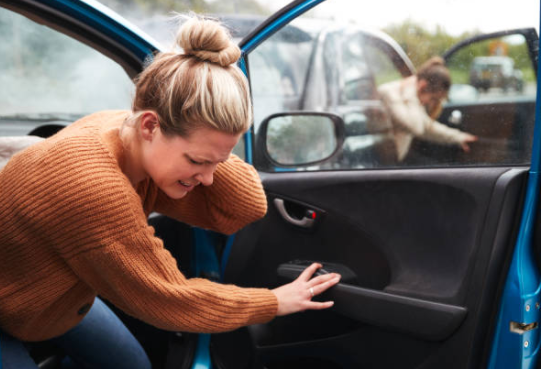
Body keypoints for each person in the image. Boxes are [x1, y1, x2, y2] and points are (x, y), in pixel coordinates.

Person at [0, 15, 341, 368]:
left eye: (218, 163)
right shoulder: (94, 189)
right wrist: (274, 302)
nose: (209, 179)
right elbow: (171, 300)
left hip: (51, 298)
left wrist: (210, 150)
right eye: (197, 160)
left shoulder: (127, 129)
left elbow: (245, 206)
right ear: (150, 125)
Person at [377, 56, 478, 162]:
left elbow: (427, 126)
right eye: (434, 99)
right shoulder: (390, 94)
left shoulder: (411, 98)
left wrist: (458, 137)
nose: (431, 103)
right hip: (381, 166)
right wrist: (410, 91)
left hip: (394, 161)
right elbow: (416, 127)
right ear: (422, 86)